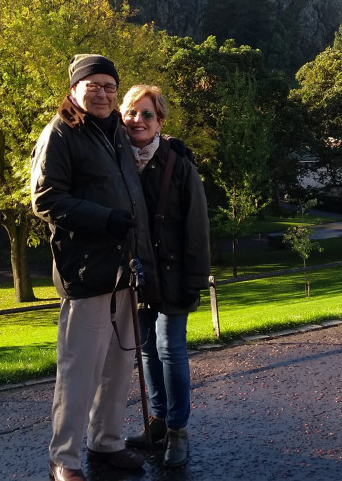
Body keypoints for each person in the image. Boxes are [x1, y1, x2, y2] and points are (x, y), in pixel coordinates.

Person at [30, 54, 156, 481]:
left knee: (120, 364)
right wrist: (103, 219)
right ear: (74, 89)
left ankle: (107, 441)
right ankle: (63, 458)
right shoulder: (60, 133)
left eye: (109, 86)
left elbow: (146, 153)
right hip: (85, 271)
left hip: (125, 268)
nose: (102, 93)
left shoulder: (117, 132)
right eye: (93, 85)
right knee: (80, 368)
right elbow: (45, 199)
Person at [119, 84, 211, 468]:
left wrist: (195, 279)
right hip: (136, 277)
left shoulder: (178, 163)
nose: (138, 120)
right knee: (146, 352)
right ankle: (156, 421)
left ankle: (178, 430)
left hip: (174, 275)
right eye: (132, 113)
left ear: (160, 122)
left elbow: (197, 225)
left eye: (147, 114)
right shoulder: (116, 160)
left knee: (169, 348)